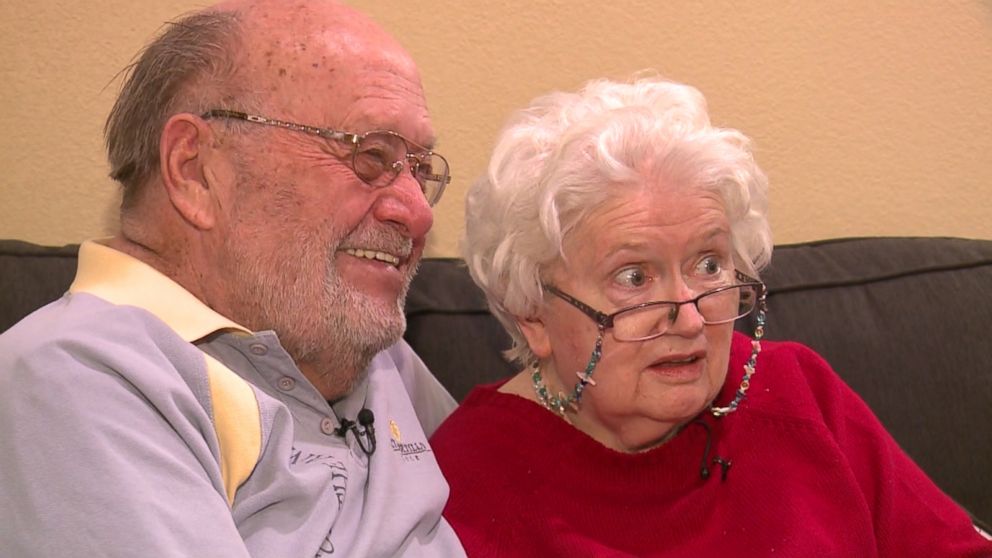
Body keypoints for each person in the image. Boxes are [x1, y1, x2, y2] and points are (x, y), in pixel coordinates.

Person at [429, 75, 992, 557]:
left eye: (708, 264)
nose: (691, 319)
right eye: (634, 277)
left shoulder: (796, 390)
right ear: (533, 314)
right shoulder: (464, 486)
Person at [0, 1, 466, 556]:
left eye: (419, 167)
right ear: (195, 170)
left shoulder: (366, 345)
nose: (418, 212)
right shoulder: (74, 376)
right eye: (370, 156)